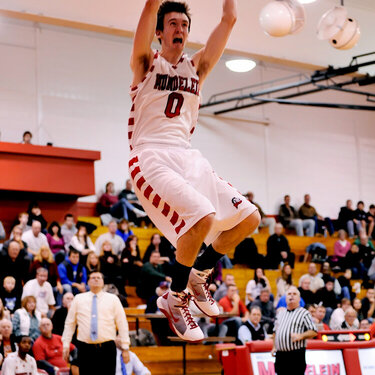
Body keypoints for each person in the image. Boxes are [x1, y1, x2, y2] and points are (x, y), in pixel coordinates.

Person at [130, 0, 260, 342]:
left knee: (250, 218)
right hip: (150, 155)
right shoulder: (146, 63)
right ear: (159, 32)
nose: (179, 30)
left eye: (184, 25)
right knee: (202, 217)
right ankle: (174, 299)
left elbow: (229, 19)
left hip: (187, 156)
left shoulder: (197, 67)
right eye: (172, 24)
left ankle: (199, 273)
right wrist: (155, 7)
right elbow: (149, 9)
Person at [62, 272, 130, 375]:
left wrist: (125, 347)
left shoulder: (113, 299)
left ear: (103, 282)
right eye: (93, 278)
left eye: (99, 278)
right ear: (88, 282)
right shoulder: (78, 298)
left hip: (107, 348)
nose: (96, 279)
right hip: (85, 348)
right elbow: (70, 323)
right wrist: (66, 344)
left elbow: (122, 323)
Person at [271, 286, 317, 375]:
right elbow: (275, 331)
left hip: (296, 355)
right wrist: (274, 347)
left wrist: (300, 336)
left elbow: (313, 331)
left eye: (294, 294)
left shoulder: (304, 313)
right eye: (289, 294)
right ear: (285, 298)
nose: (291, 296)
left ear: (299, 299)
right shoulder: (280, 313)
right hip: (280, 355)